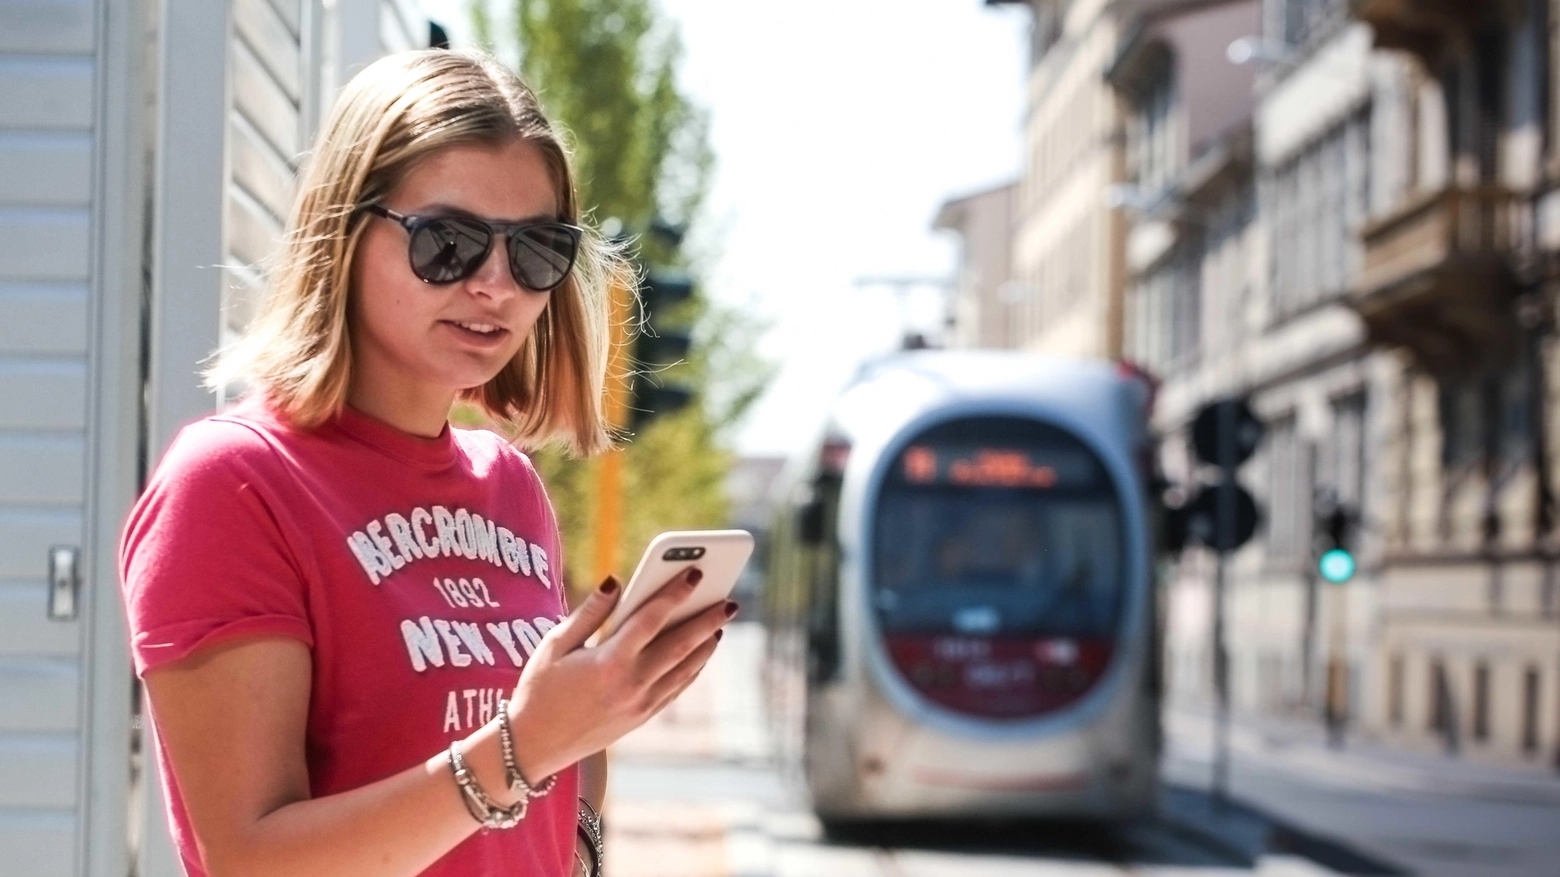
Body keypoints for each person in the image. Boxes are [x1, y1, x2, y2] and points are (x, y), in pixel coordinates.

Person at [117, 50, 733, 877]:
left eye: (537, 251)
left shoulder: (509, 485)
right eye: (449, 242)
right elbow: (250, 858)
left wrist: (577, 806)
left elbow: (560, 755)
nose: (495, 284)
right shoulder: (233, 483)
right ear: (344, 233)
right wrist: (523, 745)